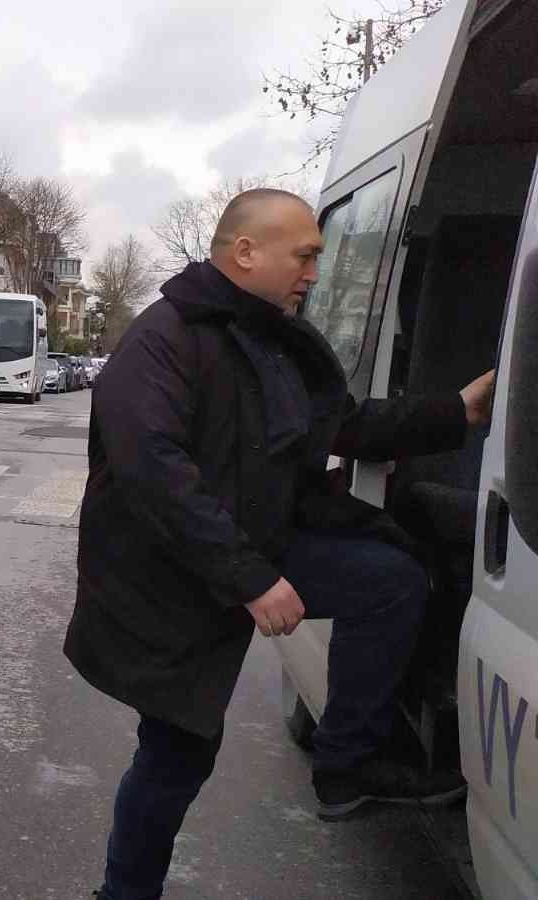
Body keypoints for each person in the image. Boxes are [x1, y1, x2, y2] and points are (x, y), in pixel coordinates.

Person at [65, 188, 497, 900]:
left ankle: (347, 763)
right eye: (305, 255)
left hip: (255, 543)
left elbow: (345, 427)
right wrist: (253, 582)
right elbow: (156, 479)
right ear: (246, 252)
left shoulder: (273, 338)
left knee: (390, 579)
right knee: (178, 755)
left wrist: (457, 412)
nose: (313, 273)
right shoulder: (160, 341)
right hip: (171, 579)